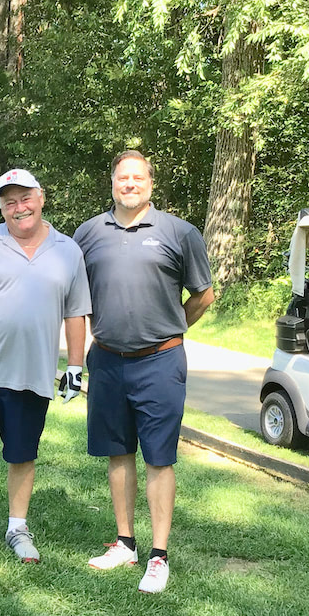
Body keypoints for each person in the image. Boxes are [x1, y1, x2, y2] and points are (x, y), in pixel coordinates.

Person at [73, 150, 215, 593]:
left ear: (150, 184)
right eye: (122, 178)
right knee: (118, 452)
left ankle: (158, 555)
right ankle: (124, 542)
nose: (129, 184)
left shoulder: (180, 232)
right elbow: (75, 295)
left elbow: (204, 295)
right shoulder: (89, 233)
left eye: (138, 178)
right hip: (108, 359)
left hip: (160, 361)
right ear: (112, 182)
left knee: (159, 456)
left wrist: (169, 330)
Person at [0, 169, 91, 564]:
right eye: (9, 201)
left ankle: (17, 527)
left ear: (41, 198)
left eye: (25, 198)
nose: (18, 207)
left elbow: (76, 314)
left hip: (33, 374)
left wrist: (74, 369)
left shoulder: (68, 250)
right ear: (1, 206)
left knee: (23, 456)